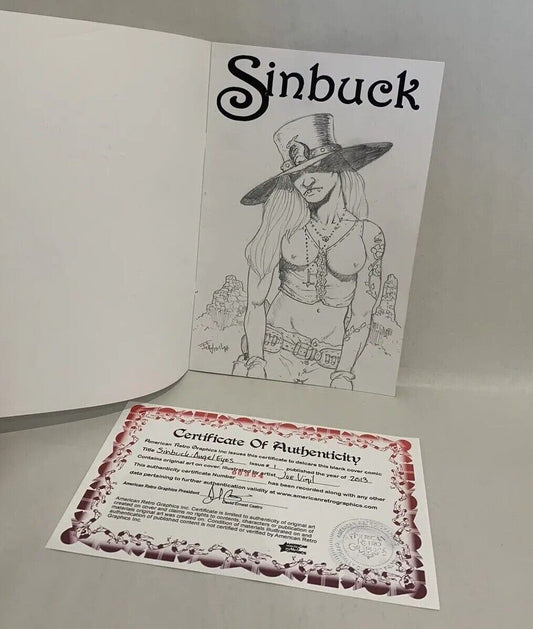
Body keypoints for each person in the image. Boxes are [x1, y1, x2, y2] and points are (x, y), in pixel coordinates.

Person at [233, 113, 391, 390]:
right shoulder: (281, 226)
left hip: (330, 366)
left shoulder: (368, 235)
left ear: (338, 167)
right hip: (272, 353)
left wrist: (343, 374)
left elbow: (361, 315)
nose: (306, 181)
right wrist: (256, 361)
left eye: (316, 168)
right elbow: (255, 303)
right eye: (297, 174)